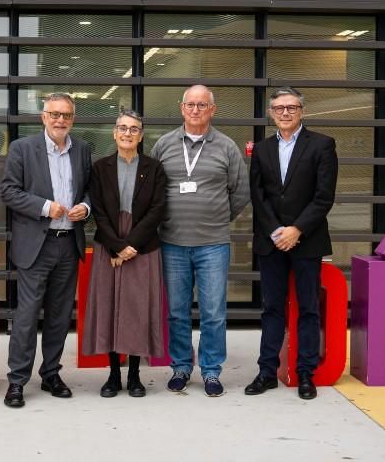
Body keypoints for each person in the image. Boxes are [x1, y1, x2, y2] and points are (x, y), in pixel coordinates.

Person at [151, 84, 249, 398]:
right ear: (182, 108)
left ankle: (211, 371)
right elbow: (151, 192)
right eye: (191, 105)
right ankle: (181, 367)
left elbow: (240, 192)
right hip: (172, 243)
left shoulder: (227, 147)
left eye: (202, 105)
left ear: (212, 110)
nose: (196, 110)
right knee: (177, 311)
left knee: (213, 312)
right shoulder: (164, 145)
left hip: (213, 244)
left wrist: (217, 218)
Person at [245, 87, 337, 401]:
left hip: (307, 240)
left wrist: (296, 229)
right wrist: (276, 231)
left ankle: (305, 373)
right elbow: (258, 196)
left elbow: (324, 196)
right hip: (271, 243)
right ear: (271, 113)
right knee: (272, 308)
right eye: (279, 108)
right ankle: (267, 372)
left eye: (292, 107)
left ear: (302, 111)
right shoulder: (262, 149)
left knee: (309, 308)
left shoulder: (323, 145)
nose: (286, 113)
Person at [0, 93, 91, 408]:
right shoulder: (22, 149)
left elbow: (89, 190)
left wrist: (85, 207)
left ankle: (51, 373)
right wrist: (43, 206)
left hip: (68, 243)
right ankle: (17, 381)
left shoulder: (82, 150)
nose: (60, 120)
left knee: (59, 315)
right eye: (54, 114)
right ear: (43, 116)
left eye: (66, 115)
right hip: (35, 246)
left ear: (72, 119)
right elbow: (9, 191)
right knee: (26, 316)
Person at [83, 110, 167, 398]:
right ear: (114, 133)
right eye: (122, 128)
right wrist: (117, 247)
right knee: (109, 308)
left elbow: (158, 210)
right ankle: (113, 375)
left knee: (136, 310)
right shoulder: (100, 168)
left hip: (143, 247)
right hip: (110, 244)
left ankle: (134, 375)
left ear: (141, 135)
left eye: (134, 129)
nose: (128, 133)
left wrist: (131, 246)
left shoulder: (154, 168)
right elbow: (99, 211)